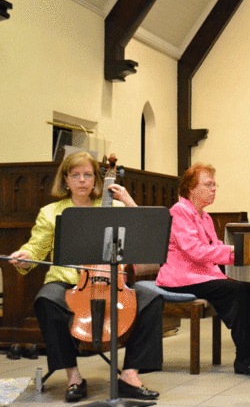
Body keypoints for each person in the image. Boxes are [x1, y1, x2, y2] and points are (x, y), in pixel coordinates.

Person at [8, 151, 162, 402]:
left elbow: (145, 235)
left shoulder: (114, 206)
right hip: (67, 279)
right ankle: (73, 376)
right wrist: (25, 254)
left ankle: (130, 375)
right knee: (47, 300)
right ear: (65, 179)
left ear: (95, 179)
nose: (82, 180)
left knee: (151, 299)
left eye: (88, 174)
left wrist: (130, 202)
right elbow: (36, 247)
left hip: (112, 279)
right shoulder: (51, 212)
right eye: (75, 175)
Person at [156, 163, 250, 377]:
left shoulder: (205, 216)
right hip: (182, 278)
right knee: (237, 292)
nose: (214, 189)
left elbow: (215, 248)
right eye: (208, 184)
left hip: (200, 276)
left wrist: (246, 254)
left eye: (214, 184)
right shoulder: (180, 211)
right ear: (191, 188)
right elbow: (196, 252)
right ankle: (243, 359)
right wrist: (235, 250)